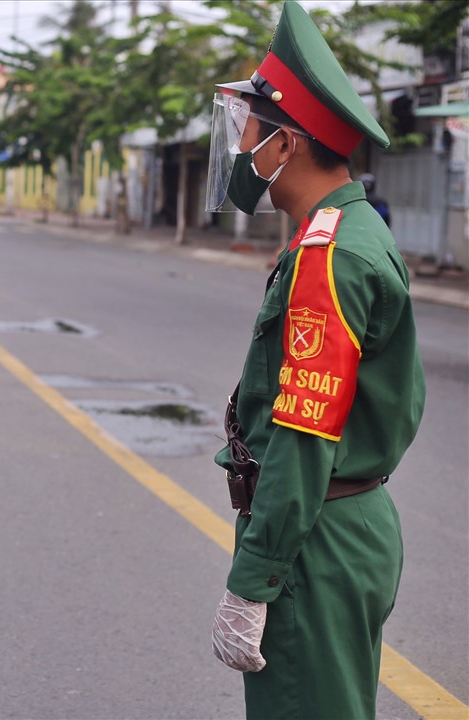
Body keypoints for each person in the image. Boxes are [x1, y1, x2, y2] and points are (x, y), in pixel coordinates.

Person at [204, 2, 425, 718]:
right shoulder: (349, 230)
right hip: (336, 529)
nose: (243, 152)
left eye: (250, 134)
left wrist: (255, 579)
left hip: (312, 547)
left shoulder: (329, 260)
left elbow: (302, 434)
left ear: (287, 143)